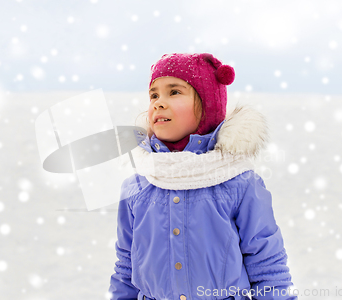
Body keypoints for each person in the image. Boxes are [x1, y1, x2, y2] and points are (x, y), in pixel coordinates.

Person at [108, 53, 297, 300]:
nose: (158, 103)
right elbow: (126, 266)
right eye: (154, 95)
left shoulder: (238, 182)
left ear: (208, 105)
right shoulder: (138, 185)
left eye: (174, 92)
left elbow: (268, 266)